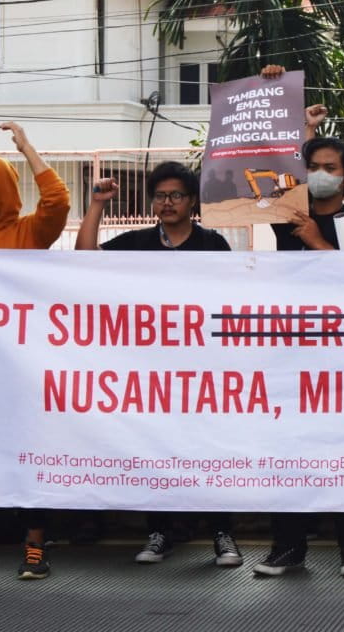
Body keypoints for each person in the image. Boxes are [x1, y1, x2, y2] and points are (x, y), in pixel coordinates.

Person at [75, 161, 242, 568]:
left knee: (210, 450)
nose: (167, 203)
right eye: (160, 196)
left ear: (192, 201)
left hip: (203, 369)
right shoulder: (138, 242)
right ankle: (160, 532)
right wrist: (97, 204)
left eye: (176, 195)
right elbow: (84, 258)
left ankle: (222, 533)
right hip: (150, 372)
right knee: (156, 450)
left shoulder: (213, 244)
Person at [254, 136, 344, 578]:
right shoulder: (287, 217)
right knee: (289, 452)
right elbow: (264, 171)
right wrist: (299, 128)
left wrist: (316, 242)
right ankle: (288, 547)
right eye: (313, 166)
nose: (320, 174)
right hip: (294, 353)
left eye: (331, 167)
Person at [0, 122, 70, 579]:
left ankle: (35, 547)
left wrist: (27, 149)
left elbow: (58, 202)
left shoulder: (28, 235)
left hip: (19, 373)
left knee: (30, 456)